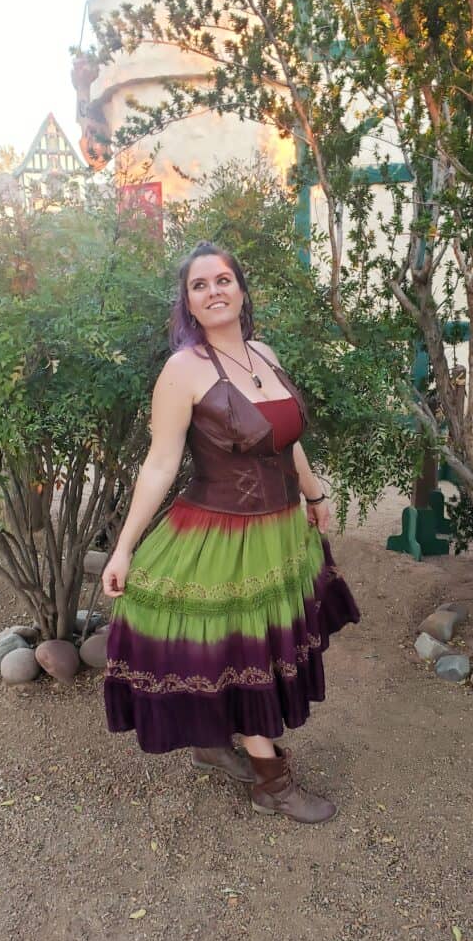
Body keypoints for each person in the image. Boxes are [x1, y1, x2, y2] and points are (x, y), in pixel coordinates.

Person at [101, 241, 360, 824]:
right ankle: (271, 781)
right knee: (244, 649)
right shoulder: (183, 369)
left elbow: (286, 441)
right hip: (220, 534)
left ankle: (215, 742)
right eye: (200, 285)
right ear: (188, 304)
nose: (214, 291)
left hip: (280, 530)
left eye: (223, 280)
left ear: (241, 290)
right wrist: (124, 547)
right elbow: (161, 463)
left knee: (256, 647)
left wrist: (314, 496)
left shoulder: (264, 353)